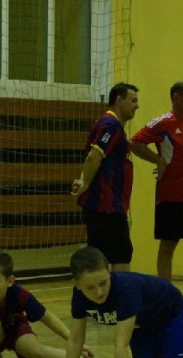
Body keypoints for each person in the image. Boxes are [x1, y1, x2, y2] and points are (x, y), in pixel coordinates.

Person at [45, 246, 183, 358]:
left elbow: (121, 344)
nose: (99, 292)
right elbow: (75, 339)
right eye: (90, 287)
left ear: (109, 272)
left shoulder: (125, 290)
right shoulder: (79, 297)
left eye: (103, 283)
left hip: (170, 315)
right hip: (142, 326)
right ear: (77, 284)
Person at [72, 82, 140, 272]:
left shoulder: (108, 124)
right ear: (119, 100)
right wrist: (85, 183)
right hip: (107, 206)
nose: (137, 105)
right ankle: (121, 291)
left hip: (104, 204)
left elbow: (93, 157)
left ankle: (98, 290)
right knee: (121, 254)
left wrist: (83, 180)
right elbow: (94, 156)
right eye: (133, 100)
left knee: (98, 256)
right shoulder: (111, 125)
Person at [130, 81, 183, 280]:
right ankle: (165, 291)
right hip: (171, 195)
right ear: (177, 97)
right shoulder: (163, 123)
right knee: (168, 244)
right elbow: (135, 142)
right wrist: (157, 160)